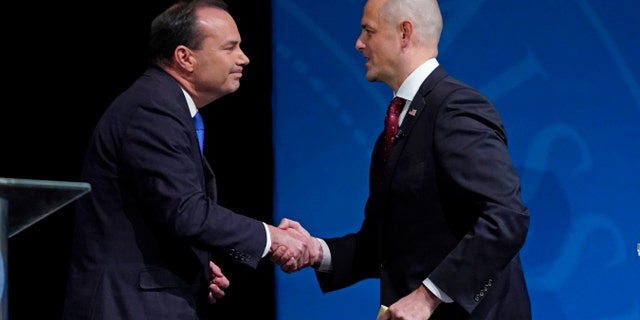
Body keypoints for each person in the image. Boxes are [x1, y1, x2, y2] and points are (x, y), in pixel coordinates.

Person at [272, 0, 532, 319]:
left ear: (404, 33)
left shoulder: (454, 108)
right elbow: (380, 246)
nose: (358, 43)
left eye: (368, 31)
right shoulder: (393, 131)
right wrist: (315, 251)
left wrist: (427, 297)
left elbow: (506, 216)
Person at [62, 1, 309, 319]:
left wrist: (193, 265)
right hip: (127, 306)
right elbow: (184, 210)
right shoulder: (152, 109)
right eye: (230, 48)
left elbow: (157, 210)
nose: (243, 59)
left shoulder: (163, 104)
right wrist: (270, 237)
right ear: (185, 57)